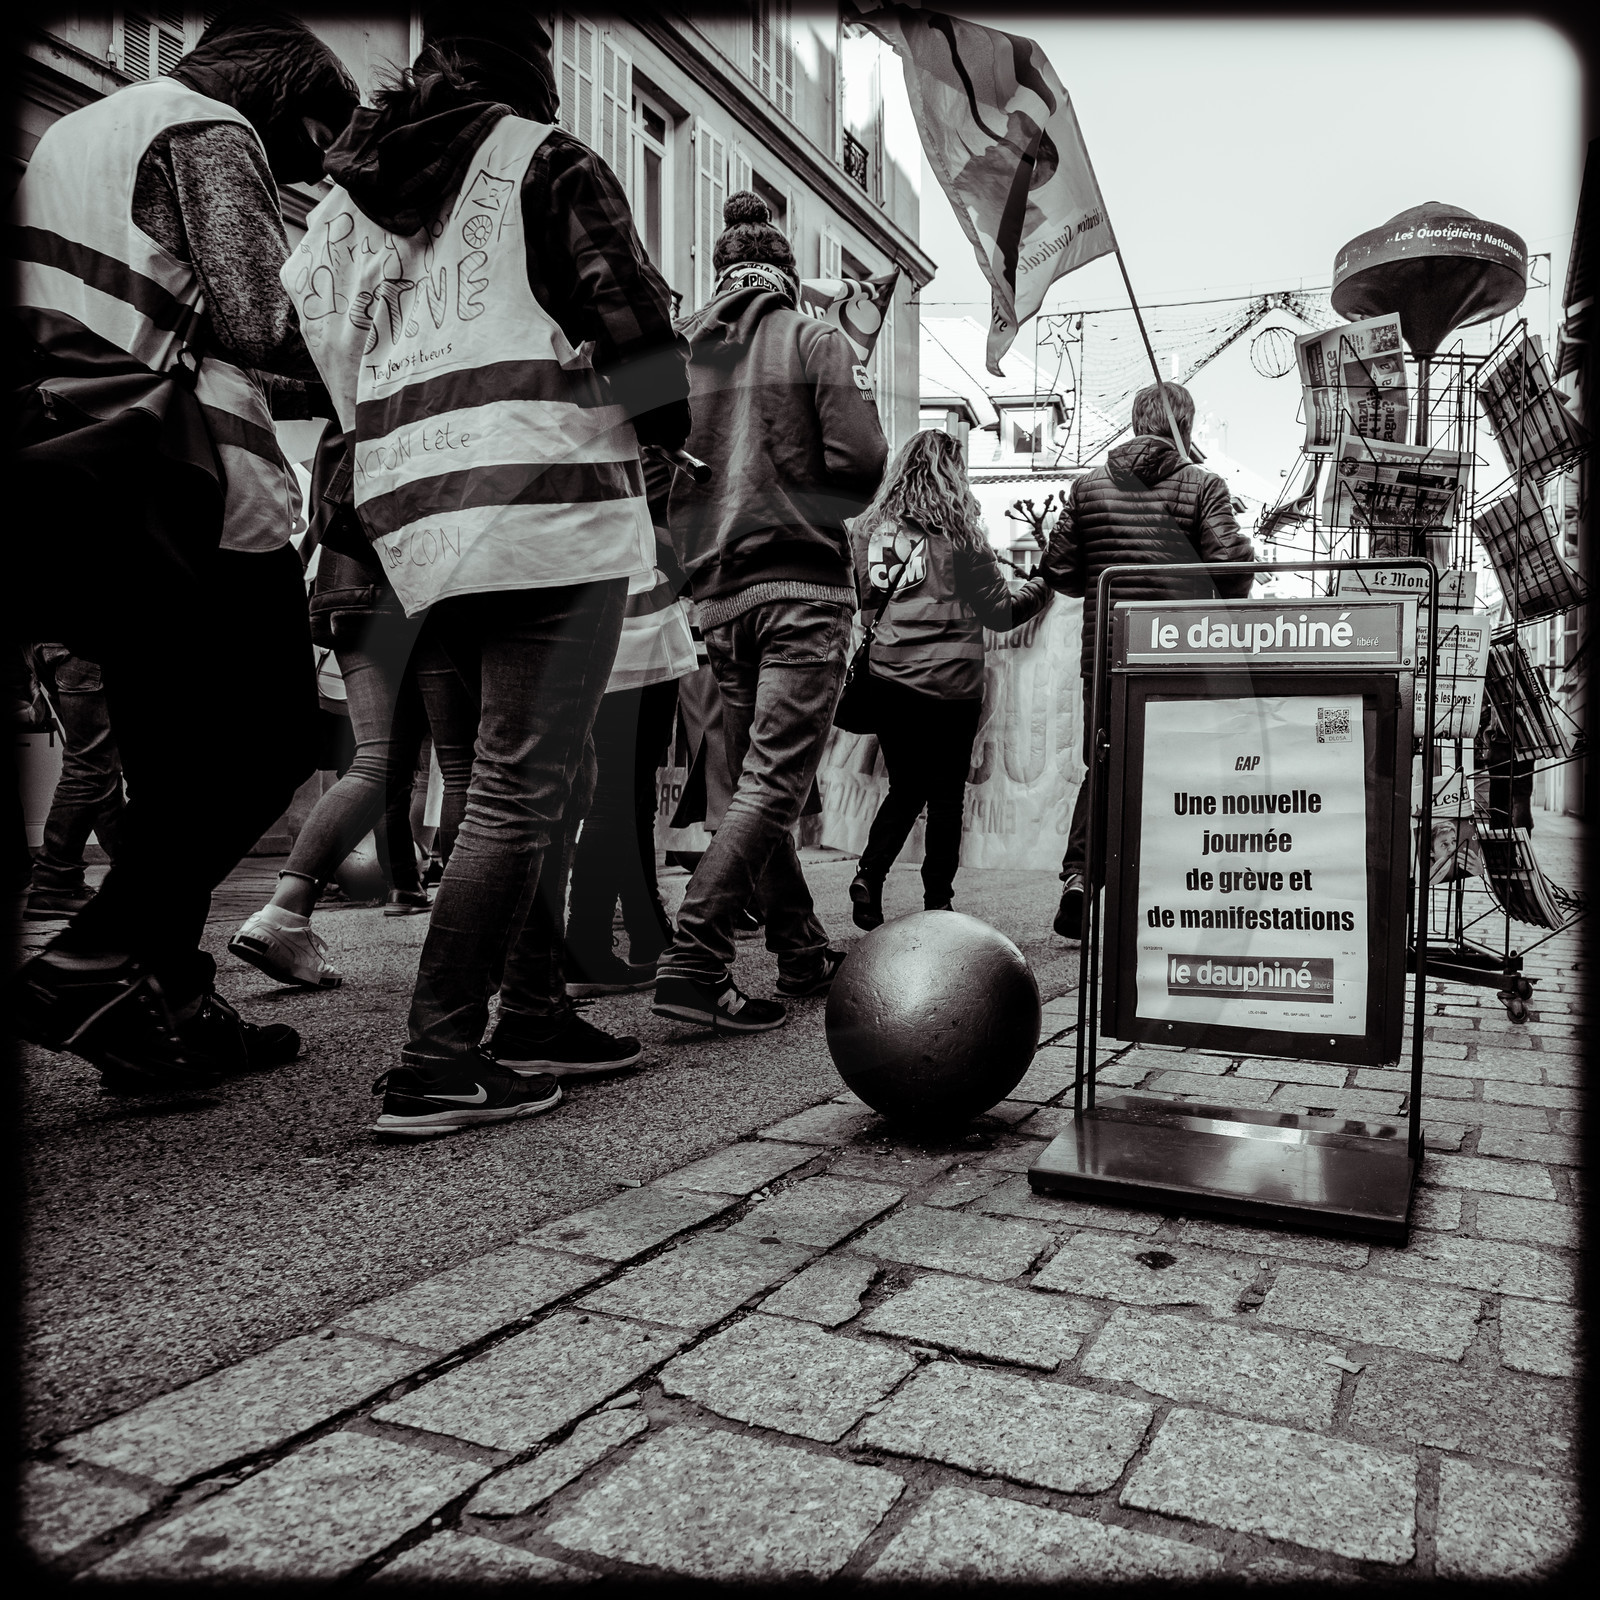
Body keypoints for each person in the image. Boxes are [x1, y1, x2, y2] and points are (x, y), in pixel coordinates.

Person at [284, 3, 690, 1134]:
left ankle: (533, 1014)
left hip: (413, 518)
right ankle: (438, 1056)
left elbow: (308, 341)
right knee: (520, 790)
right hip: (540, 501)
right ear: (527, 67)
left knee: (485, 782)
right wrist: (669, 427)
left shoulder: (352, 196)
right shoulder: (537, 156)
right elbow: (629, 315)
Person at [9, 8, 361, 1093]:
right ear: (290, 103)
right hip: (187, 475)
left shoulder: (78, 136)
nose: (313, 169)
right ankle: (93, 958)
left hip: (74, 459)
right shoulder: (211, 130)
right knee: (269, 734)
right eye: (318, 144)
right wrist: (378, 356)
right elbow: (261, 322)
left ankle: (161, 1007)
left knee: (165, 751)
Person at [652, 192, 887, 1033]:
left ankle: (798, 947)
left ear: (720, 277)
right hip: (800, 587)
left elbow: (654, 472)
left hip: (717, 595)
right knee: (776, 783)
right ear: (785, 277)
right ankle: (697, 954)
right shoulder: (814, 336)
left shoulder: (682, 354)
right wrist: (805, 504)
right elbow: (861, 464)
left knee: (757, 781)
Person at [227, 429, 476, 988]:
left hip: (347, 585)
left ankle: (283, 915)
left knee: (377, 760)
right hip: (422, 571)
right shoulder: (420, 369)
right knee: (463, 763)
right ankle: (473, 942)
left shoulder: (344, 390)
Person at [1042, 380, 1254, 938]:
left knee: (1105, 763)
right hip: (1178, 655)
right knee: (1176, 766)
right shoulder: (1204, 486)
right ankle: (1167, 892)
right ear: (1185, 427)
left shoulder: (1087, 489)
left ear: (1137, 423)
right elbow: (1233, 573)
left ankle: (1081, 881)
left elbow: (1059, 571)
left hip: (1107, 653)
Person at [847, 429, 1052, 928]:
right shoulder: (961, 535)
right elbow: (1001, 613)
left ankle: (869, 875)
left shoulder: (868, 534)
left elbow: (866, 602)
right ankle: (937, 902)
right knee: (944, 797)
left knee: (905, 787)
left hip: (889, 678)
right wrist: (1044, 586)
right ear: (953, 475)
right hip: (951, 684)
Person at [23, 643, 125, 921]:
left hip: (51, 649)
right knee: (91, 766)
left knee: (101, 768)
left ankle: (135, 874)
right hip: (82, 652)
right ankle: (54, 881)